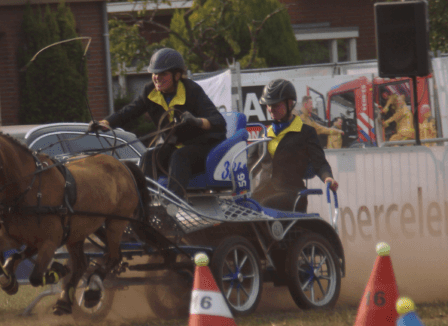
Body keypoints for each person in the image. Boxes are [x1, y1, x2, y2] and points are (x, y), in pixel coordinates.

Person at [91, 48, 226, 199]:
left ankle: (173, 204)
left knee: (179, 156)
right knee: (149, 156)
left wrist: (197, 121)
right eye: (154, 73)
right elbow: (129, 112)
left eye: (163, 74)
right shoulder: (150, 91)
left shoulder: (192, 91)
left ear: (177, 75)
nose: (157, 78)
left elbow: (219, 122)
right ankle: (142, 204)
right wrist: (105, 123)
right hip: (177, 147)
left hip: (204, 148)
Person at [251, 79, 339, 212]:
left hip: (292, 194)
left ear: (290, 103)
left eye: (276, 104)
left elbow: (320, 163)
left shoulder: (306, 132)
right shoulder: (264, 133)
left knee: (262, 206)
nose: (270, 109)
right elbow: (250, 164)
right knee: (242, 206)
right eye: (268, 105)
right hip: (264, 192)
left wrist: (328, 177)